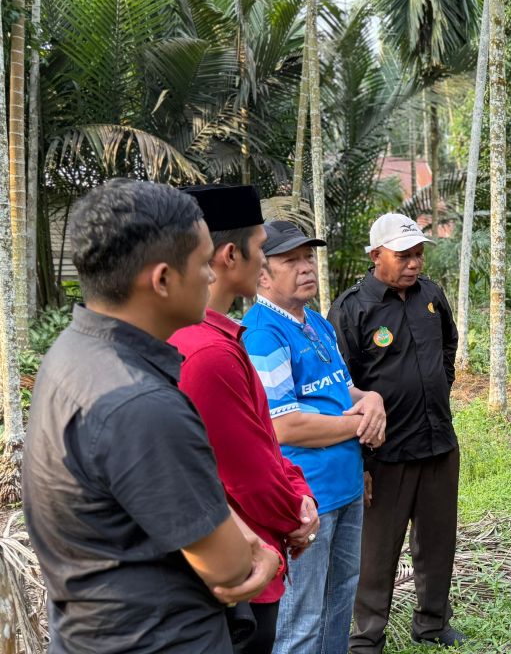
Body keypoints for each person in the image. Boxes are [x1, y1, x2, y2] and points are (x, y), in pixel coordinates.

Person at [23, 179, 279, 654]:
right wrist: (262, 555)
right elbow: (226, 569)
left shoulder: (72, 352)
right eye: (203, 263)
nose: (209, 276)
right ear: (162, 280)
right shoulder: (142, 405)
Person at [168, 186, 319, 654]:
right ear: (230, 255)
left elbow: (262, 446)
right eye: (262, 249)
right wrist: (296, 513)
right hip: (244, 561)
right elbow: (246, 472)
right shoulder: (209, 352)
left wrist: (298, 490)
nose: (267, 263)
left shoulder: (212, 337)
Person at [241, 221, 387, 654]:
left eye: (308, 258)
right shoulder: (263, 334)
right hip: (306, 497)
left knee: (339, 601)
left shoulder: (317, 323)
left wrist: (372, 398)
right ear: (263, 274)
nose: (306, 268)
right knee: (301, 618)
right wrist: (361, 424)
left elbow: (342, 391)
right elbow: (285, 425)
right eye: (291, 260)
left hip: (343, 485)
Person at [329, 213, 464, 651]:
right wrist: (361, 460)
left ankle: (431, 624)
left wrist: (440, 383)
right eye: (403, 255)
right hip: (384, 454)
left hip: (438, 443)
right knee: (377, 551)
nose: (414, 263)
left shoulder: (431, 296)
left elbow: (449, 342)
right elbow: (339, 384)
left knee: (438, 542)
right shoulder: (353, 308)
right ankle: (367, 637)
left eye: (419, 254)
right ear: (376, 256)